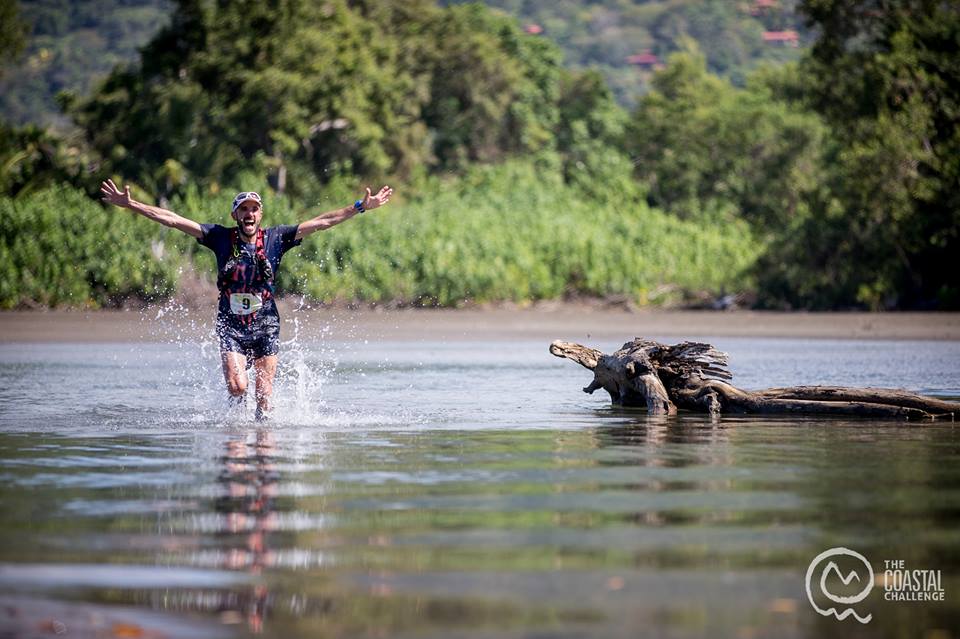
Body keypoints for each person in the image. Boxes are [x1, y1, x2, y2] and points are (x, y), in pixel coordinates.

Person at [100, 179, 393, 419]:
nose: (249, 214)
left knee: (264, 397)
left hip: (266, 322)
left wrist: (360, 207)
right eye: (243, 209)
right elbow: (173, 220)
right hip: (231, 323)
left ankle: (262, 447)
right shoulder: (219, 237)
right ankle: (235, 419)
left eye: (254, 209)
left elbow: (323, 221)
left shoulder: (278, 238)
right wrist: (131, 204)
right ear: (235, 216)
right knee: (238, 387)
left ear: (260, 214)